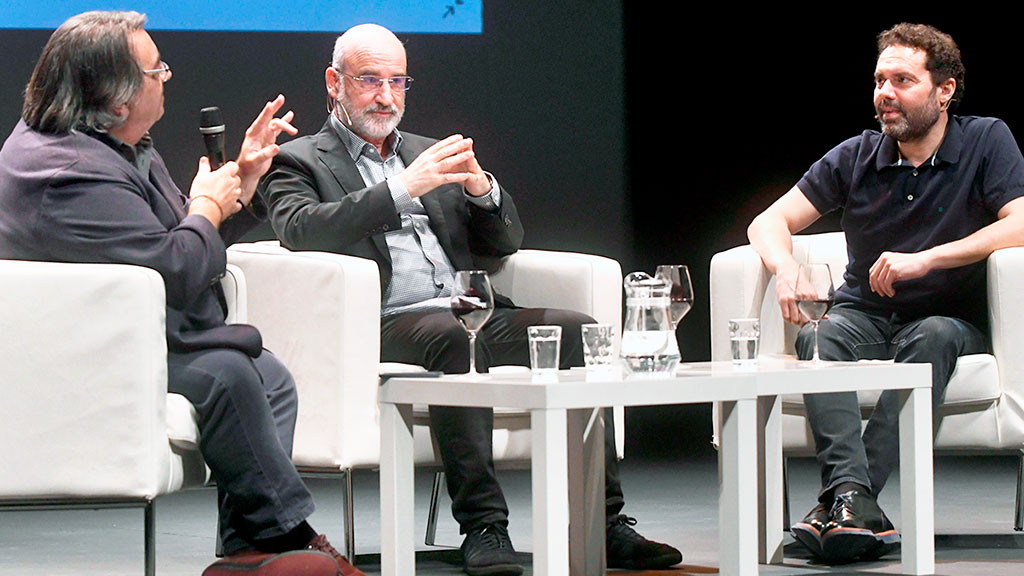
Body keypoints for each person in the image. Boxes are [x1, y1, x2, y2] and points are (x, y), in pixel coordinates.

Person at [261, 22, 681, 576]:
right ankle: (485, 526)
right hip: (385, 322)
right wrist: (401, 190)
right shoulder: (300, 160)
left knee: (581, 330)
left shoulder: (430, 152)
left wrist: (483, 192)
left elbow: (504, 243)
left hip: (470, 310)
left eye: (398, 82)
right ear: (334, 83)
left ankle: (603, 523)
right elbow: (300, 229)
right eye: (370, 81)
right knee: (457, 339)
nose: (387, 97)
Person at [0, 11, 364, 576]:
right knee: (231, 374)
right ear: (118, 100)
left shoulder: (114, 143)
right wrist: (205, 206)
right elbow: (175, 267)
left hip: (132, 335)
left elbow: (182, 245)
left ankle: (250, 552)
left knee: (268, 375)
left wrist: (238, 190)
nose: (166, 77)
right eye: (156, 70)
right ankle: (291, 536)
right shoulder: (64, 169)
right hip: (81, 355)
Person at [747, 22, 1024, 564]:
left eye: (902, 80)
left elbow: (1022, 221)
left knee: (935, 336)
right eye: (879, 81)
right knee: (818, 337)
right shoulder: (857, 155)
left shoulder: (986, 140)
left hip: (945, 317)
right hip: (864, 315)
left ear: (944, 90)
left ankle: (847, 500)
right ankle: (856, 502)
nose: (884, 94)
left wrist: (929, 257)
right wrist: (784, 267)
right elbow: (768, 221)